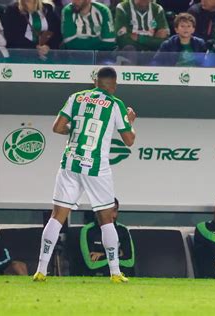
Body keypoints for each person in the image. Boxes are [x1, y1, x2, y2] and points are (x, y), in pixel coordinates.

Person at [33, 67, 137, 283]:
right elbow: (129, 140)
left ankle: (41, 270)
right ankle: (115, 273)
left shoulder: (76, 97)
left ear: (95, 82)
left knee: (57, 216)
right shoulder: (116, 104)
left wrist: (75, 130)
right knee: (106, 218)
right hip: (96, 167)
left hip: (70, 163)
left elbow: (58, 127)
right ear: (114, 85)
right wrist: (130, 122)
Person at [80, 198, 135, 276]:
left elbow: (129, 262)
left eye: (115, 210)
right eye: (107, 211)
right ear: (97, 212)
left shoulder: (123, 230)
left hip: (123, 275)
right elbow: (91, 264)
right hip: (97, 277)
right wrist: (118, 253)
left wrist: (102, 254)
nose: (112, 215)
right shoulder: (87, 230)